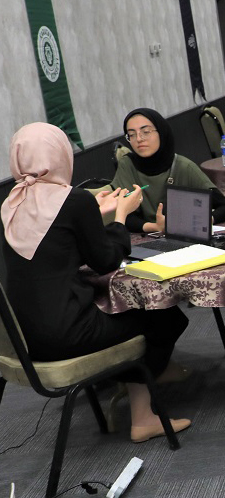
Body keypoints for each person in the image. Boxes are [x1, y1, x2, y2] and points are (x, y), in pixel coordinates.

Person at [2, 123, 192, 443]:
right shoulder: (72, 201)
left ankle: (159, 370)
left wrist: (95, 213)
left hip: (21, 337)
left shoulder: (11, 204)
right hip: (67, 333)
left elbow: (53, 250)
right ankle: (144, 417)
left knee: (134, 310)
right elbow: (106, 261)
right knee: (162, 314)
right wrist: (119, 216)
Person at [112, 108, 225, 234]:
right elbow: (124, 216)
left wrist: (202, 221)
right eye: (132, 134)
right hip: (143, 240)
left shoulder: (182, 166)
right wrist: (155, 227)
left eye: (146, 131)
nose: (139, 139)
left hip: (183, 238)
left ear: (161, 132)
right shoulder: (127, 165)